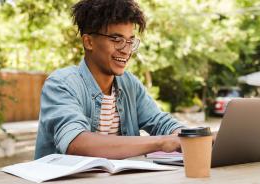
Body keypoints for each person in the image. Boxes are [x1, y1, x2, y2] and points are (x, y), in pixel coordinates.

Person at [34, 0, 186, 160]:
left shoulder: (130, 84)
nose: (126, 50)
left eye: (130, 41)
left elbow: (160, 122)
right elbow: (76, 143)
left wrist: (191, 136)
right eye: (116, 40)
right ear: (89, 42)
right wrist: (161, 142)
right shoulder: (61, 84)